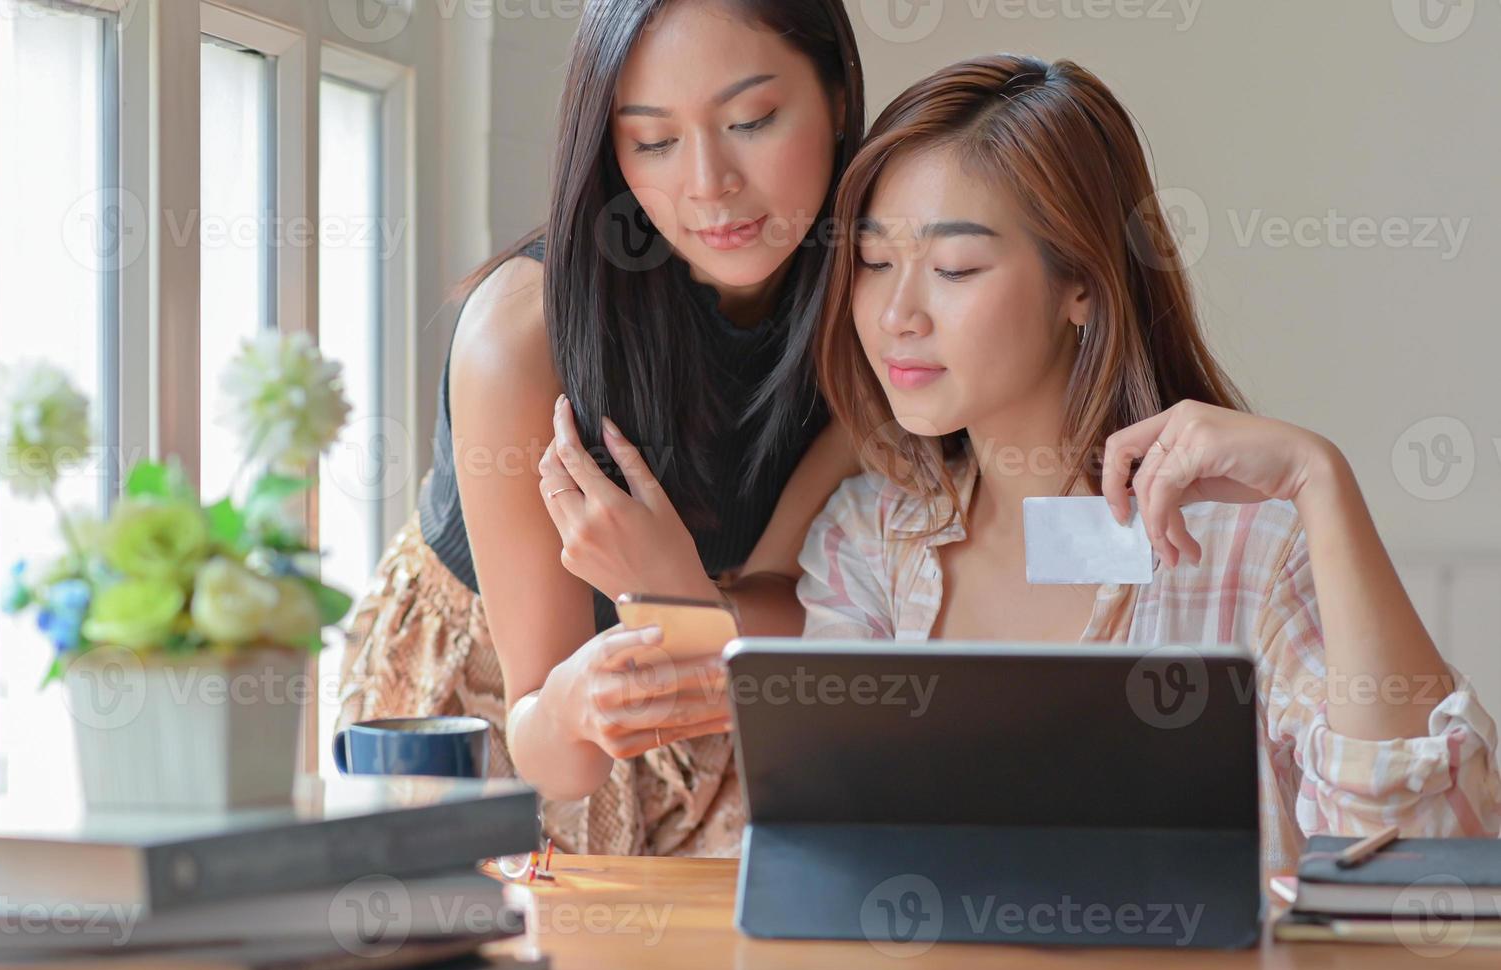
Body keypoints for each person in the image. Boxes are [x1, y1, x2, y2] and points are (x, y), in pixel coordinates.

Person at [797, 53, 1501, 882]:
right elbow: (828, 853)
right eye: (874, 263)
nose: (894, 314)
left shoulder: (1254, 547)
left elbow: (1426, 860)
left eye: (954, 269)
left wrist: (1320, 479)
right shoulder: (866, 541)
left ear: (1083, 286)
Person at [335, 0, 866, 856]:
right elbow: (548, 740)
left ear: (838, 97)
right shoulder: (521, 335)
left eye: (752, 120)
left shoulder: (874, 304)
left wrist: (677, 594)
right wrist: (651, 642)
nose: (707, 183)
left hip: (715, 671)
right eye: (653, 140)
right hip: (496, 707)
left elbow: (799, 609)